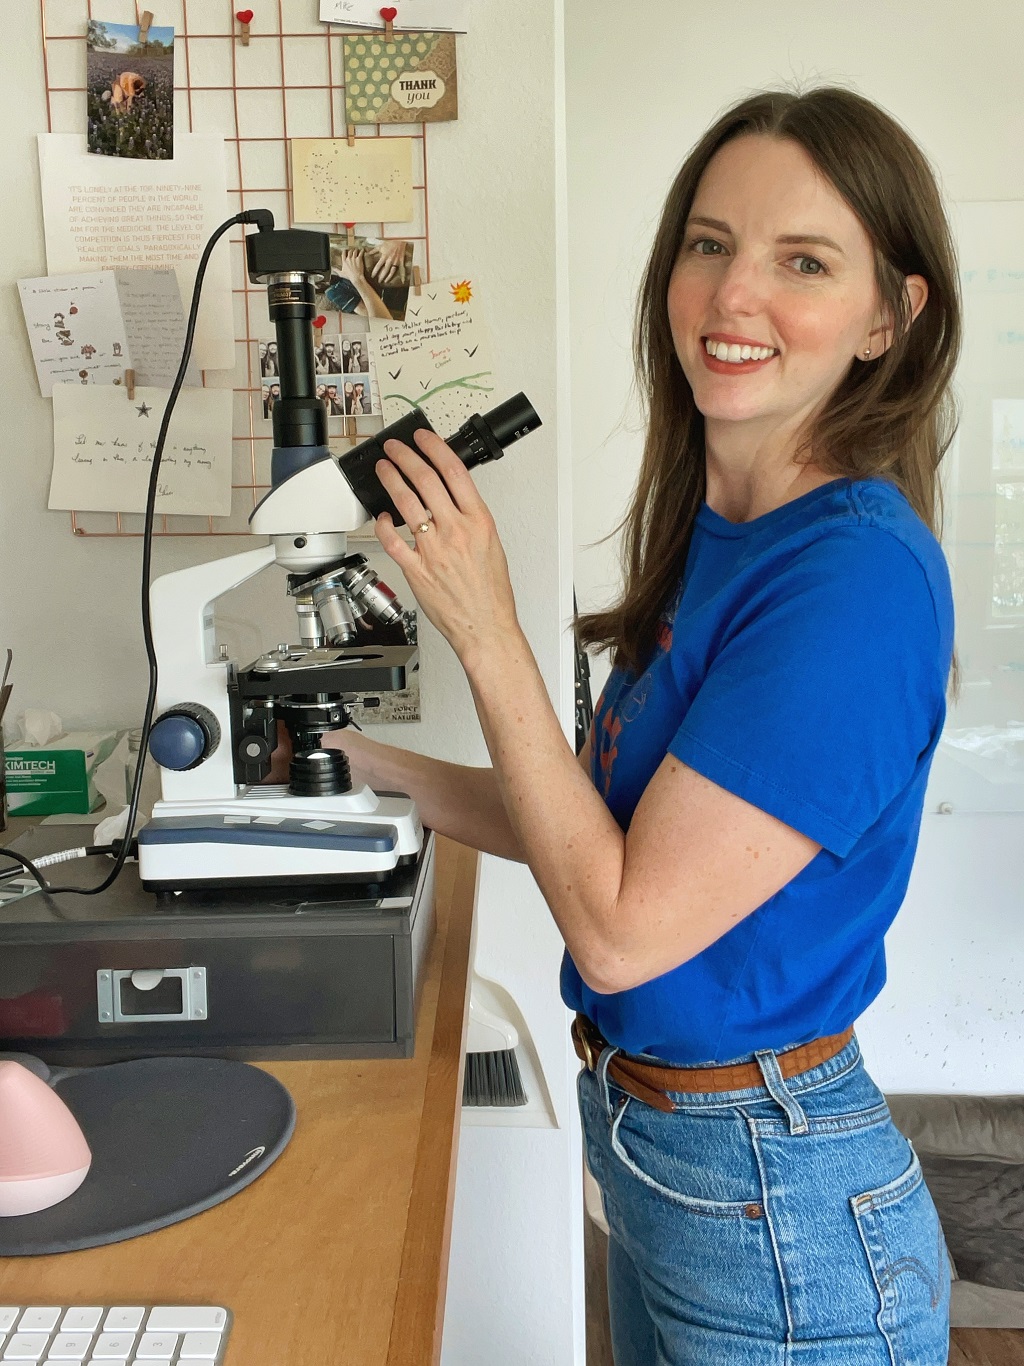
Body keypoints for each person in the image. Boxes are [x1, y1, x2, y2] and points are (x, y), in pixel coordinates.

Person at [283, 85, 961, 1362]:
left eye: (800, 261)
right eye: (708, 244)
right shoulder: (716, 539)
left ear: (889, 315)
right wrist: (347, 768)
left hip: (772, 1194)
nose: (731, 295)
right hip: (670, 1153)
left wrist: (481, 626)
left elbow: (619, 929)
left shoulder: (852, 578)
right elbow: (599, 834)